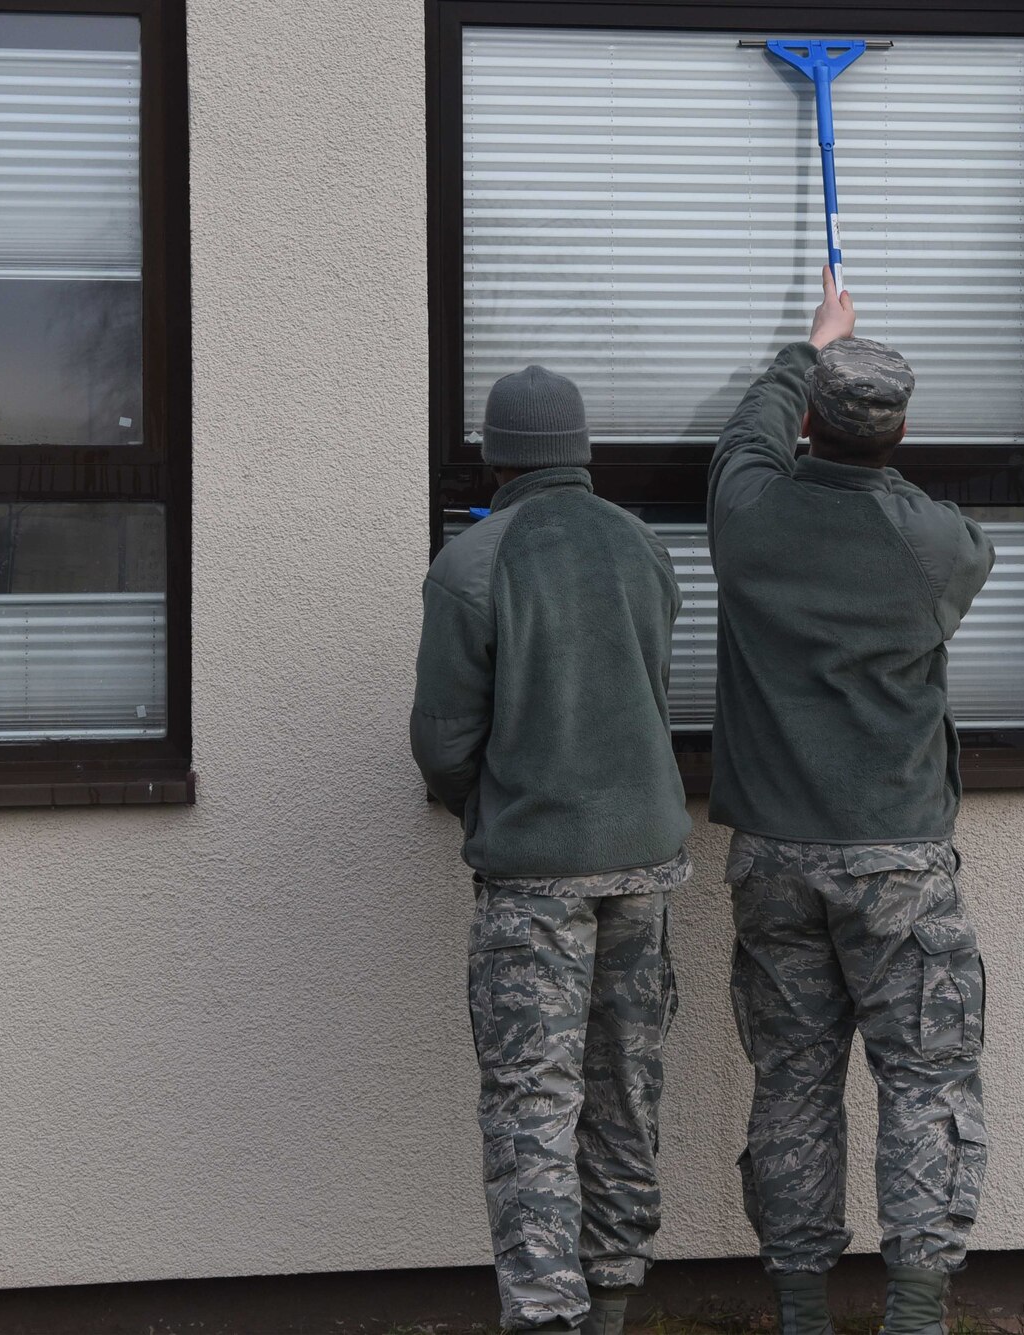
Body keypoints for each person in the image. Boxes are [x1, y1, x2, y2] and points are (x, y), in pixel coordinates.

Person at [706, 269, 997, 1335]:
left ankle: (799, 1312)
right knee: (923, 1083)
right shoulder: (932, 544)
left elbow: (742, 440)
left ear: (810, 427)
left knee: (791, 1082)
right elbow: (967, 547)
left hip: (774, 857)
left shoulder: (747, 517)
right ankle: (914, 1315)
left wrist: (807, 347)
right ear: (903, 429)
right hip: (897, 864)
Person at [411, 365, 691, 1335]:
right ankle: (611, 1303)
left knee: (534, 1107)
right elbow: (649, 690)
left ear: (494, 455)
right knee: (625, 1091)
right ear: (579, 451)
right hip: (646, 862)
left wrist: (486, 810)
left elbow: (443, 744)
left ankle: (544, 1319)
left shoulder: (472, 566)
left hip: (535, 879)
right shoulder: (643, 550)